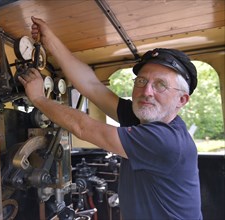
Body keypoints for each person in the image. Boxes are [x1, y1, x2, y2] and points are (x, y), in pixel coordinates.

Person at [18, 16, 202, 220]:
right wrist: (49, 39)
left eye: (160, 85)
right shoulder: (144, 118)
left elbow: (83, 127)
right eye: (141, 81)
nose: (146, 91)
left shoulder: (167, 141)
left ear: (181, 99)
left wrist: (38, 98)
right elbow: (92, 87)